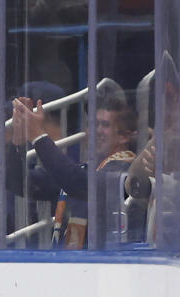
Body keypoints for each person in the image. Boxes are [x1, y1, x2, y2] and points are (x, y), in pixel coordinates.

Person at [8, 94, 138, 248]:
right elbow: (18, 183)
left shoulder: (127, 171)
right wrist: (18, 141)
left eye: (104, 125)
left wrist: (37, 135)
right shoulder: (84, 170)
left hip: (104, 268)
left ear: (124, 137)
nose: (96, 131)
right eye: (92, 124)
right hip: (71, 266)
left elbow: (79, 183)